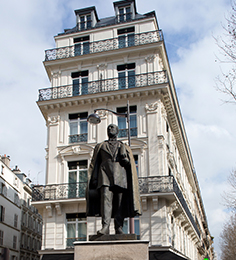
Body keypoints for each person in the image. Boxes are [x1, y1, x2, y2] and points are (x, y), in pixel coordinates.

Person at [86, 124, 141, 235]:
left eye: (113, 128)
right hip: (104, 177)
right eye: (109, 128)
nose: (110, 129)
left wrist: (125, 158)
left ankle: (118, 227)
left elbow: (129, 164)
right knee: (105, 202)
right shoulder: (101, 146)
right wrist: (94, 178)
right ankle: (105, 226)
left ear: (117, 131)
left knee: (119, 203)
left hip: (121, 177)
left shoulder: (123, 146)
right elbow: (95, 164)